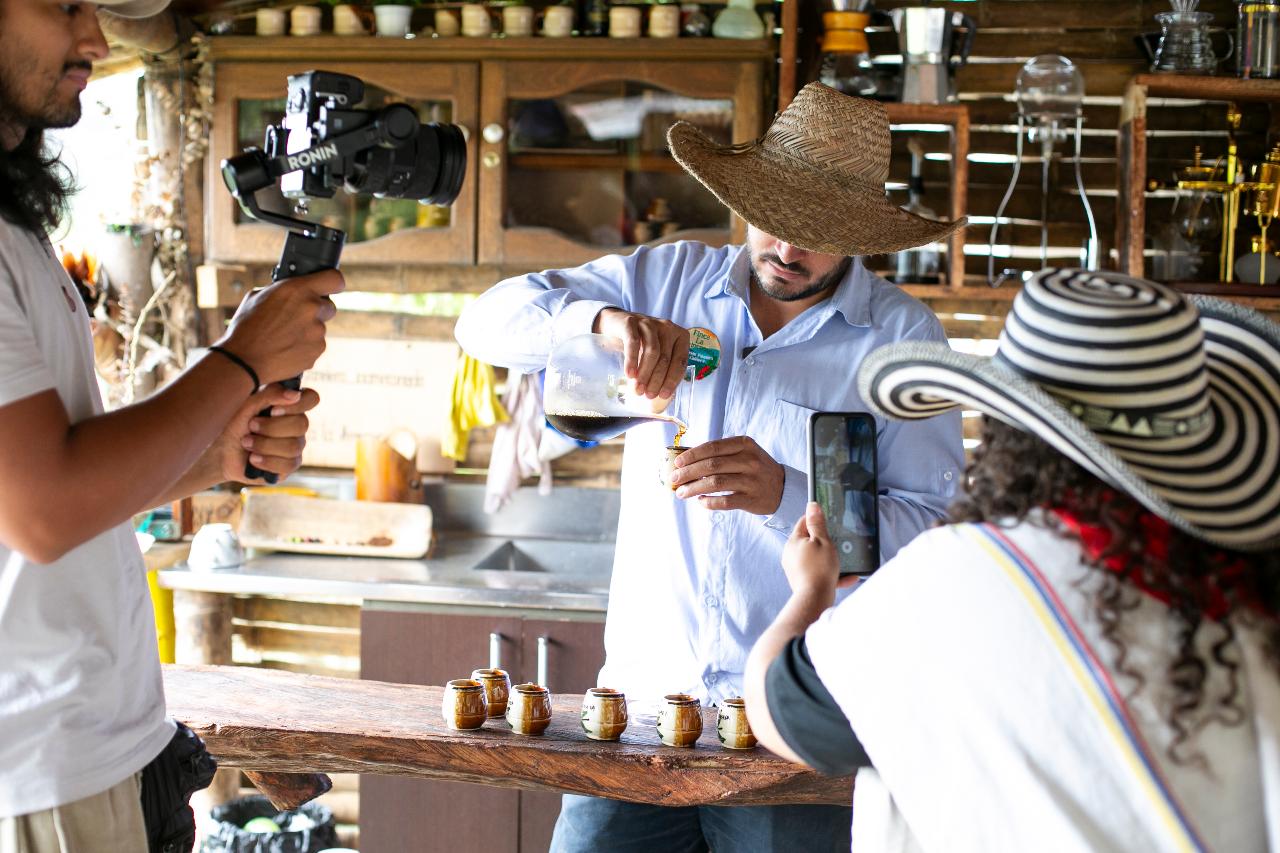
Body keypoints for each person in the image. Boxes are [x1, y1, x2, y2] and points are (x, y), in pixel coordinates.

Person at [456, 82, 966, 852]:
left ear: (861, 234)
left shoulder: (903, 340)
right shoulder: (662, 281)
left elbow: (932, 535)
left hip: (791, 725)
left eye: (816, 233)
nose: (786, 250)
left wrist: (790, 496)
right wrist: (598, 320)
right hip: (633, 717)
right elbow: (484, 323)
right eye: (773, 221)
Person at [745, 268, 1280, 851]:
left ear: (1007, 426)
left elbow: (782, 708)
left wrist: (810, 590)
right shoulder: (1248, 598)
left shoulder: (962, 579)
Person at [0, 0, 343, 849]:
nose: (95, 37)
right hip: (40, 765)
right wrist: (238, 362)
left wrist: (213, 453)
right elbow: (41, 514)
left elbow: (60, 485)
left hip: (91, 747)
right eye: (65, 4)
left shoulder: (16, 230)